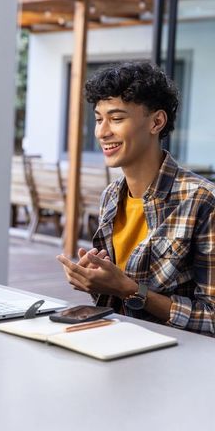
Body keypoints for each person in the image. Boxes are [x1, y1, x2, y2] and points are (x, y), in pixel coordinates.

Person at [57, 61, 215, 336]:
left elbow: (212, 317)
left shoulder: (202, 201)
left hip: (176, 360)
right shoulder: (111, 197)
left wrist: (129, 289)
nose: (102, 132)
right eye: (98, 119)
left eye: (116, 119)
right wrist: (96, 279)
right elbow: (115, 302)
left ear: (156, 122)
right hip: (118, 344)